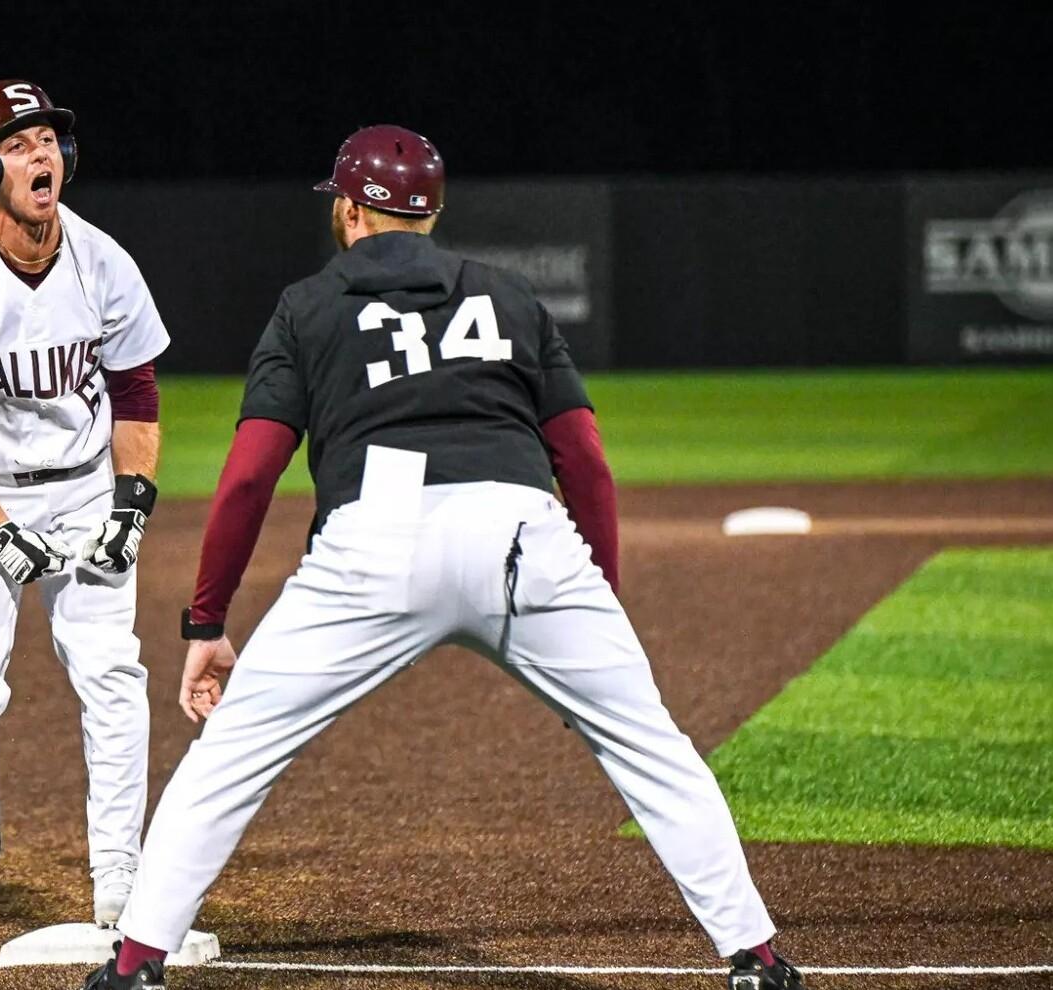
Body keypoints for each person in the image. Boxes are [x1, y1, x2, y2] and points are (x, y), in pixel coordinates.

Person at [82, 126, 805, 990]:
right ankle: (756, 957)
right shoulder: (507, 295)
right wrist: (592, 595)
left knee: (232, 754)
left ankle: (135, 965)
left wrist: (207, 619)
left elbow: (248, 480)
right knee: (655, 750)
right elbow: (585, 461)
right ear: (433, 212)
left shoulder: (307, 306)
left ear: (350, 208)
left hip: (375, 535)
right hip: (523, 533)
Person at [0, 79, 169, 954]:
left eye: (48, 137)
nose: (42, 153)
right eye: (18, 143)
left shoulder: (104, 261)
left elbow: (136, 392)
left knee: (112, 675)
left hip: (89, 483)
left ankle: (122, 878)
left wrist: (132, 502)